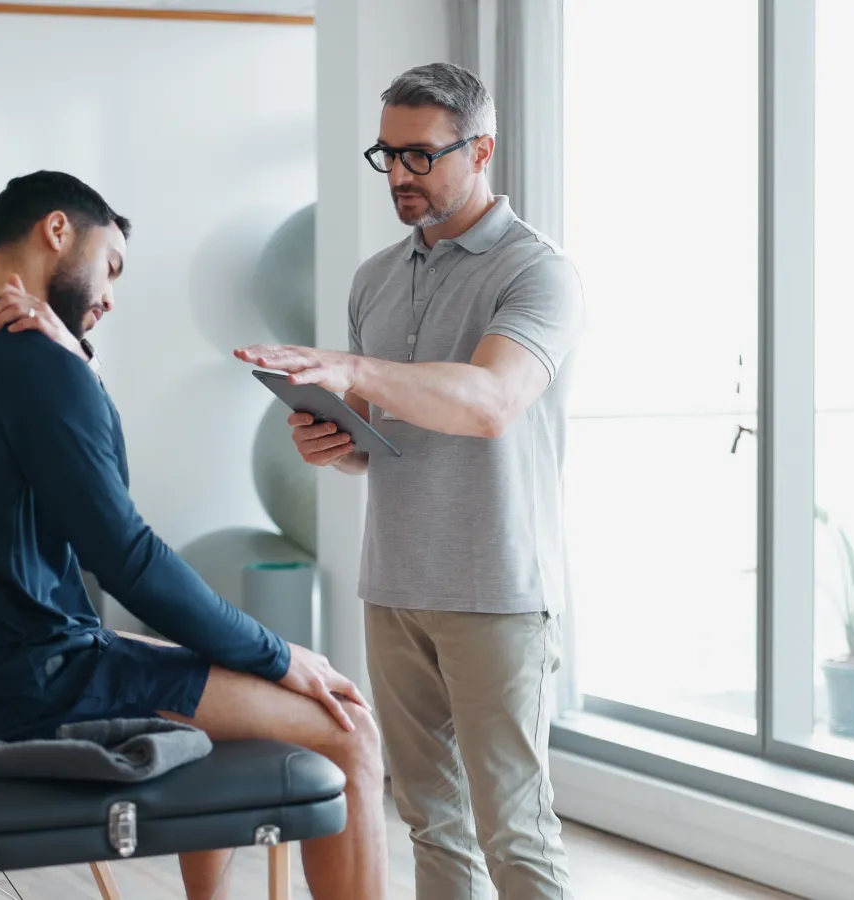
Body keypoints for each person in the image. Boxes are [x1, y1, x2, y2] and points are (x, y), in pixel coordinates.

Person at [0, 170, 388, 900]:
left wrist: (76, 363)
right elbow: (127, 556)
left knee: (196, 660)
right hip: (30, 688)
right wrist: (280, 657)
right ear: (57, 231)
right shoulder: (34, 362)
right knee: (351, 729)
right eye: (109, 265)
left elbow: (98, 503)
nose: (110, 295)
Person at [237, 62, 585, 900]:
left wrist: (353, 366)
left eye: (421, 156)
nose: (398, 175)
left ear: (482, 149)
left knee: (514, 828)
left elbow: (493, 401)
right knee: (430, 819)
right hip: (394, 582)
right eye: (386, 154)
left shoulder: (537, 273)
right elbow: (386, 438)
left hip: (497, 588)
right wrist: (337, 443)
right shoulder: (376, 279)